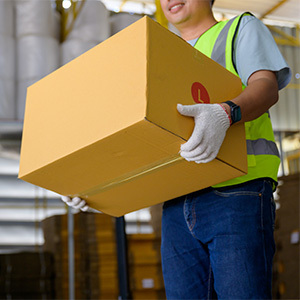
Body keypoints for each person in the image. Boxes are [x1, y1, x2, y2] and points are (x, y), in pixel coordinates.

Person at [62, 0, 291, 298]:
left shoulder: (238, 29)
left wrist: (226, 113)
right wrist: (96, 187)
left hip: (237, 192)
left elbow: (265, 85)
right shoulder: (157, 57)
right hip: (176, 200)